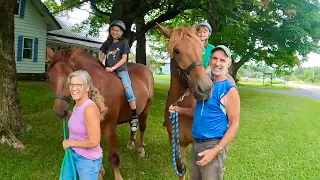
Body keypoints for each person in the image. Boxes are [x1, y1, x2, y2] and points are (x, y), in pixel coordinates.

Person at [169, 45, 240, 180]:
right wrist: (179, 109)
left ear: (228, 64)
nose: (217, 63)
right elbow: (200, 112)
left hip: (213, 144)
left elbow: (234, 124)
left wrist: (216, 149)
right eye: (214, 59)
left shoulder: (229, 90)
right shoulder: (206, 86)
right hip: (197, 144)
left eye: (222, 60)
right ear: (209, 61)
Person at [63, 70, 107, 179]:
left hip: (87, 160)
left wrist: (70, 142)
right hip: (75, 155)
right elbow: (80, 120)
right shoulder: (78, 105)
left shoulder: (89, 109)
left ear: (87, 88)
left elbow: (94, 141)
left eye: (78, 85)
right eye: (71, 84)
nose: (73, 88)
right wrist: (68, 113)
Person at [99, 20, 139, 132]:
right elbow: (101, 56)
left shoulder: (124, 42)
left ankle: (134, 117)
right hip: (107, 71)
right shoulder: (107, 43)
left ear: (121, 32)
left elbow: (124, 59)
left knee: (128, 89)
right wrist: (100, 66)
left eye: (117, 30)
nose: (115, 32)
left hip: (120, 70)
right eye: (113, 30)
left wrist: (113, 68)